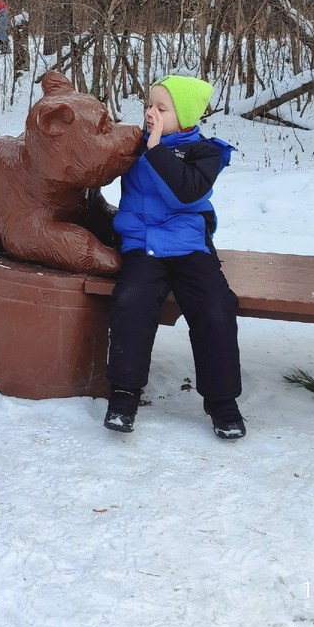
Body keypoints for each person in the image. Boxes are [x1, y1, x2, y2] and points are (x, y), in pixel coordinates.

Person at [104, 74, 243, 438]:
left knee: (216, 306)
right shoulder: (135, 145)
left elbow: (187, 191)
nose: (151, 113)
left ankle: (222, 402)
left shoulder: (206, 152)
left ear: (185, 117)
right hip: (142, 243)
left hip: (188, 244)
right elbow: (96, 165)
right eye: (149, 105)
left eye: (161, 108)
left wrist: (155, 150)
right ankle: (123, 394)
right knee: (132, 299)